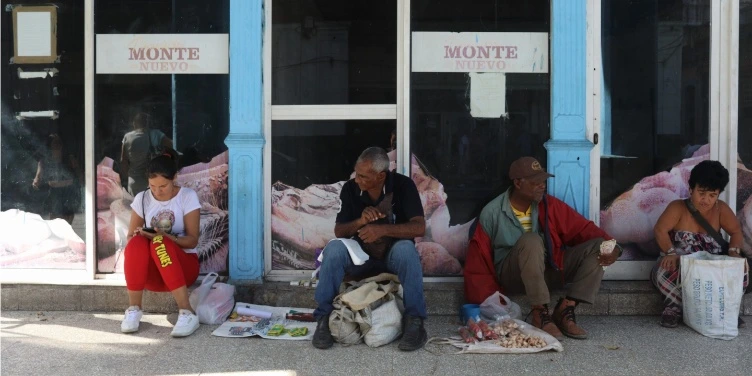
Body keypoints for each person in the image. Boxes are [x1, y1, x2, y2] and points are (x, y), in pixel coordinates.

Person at [463, 156, 620, 340]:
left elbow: (583, 229)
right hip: (513, 275)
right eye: (536, 182)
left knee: (598, 245)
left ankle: (566, 309)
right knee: (531, 240)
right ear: (518, 183)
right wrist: (488, 299)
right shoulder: (492, 212)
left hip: (548, 270)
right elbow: (478, 260)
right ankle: (540, 312)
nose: (542, 186)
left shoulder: (549, 205)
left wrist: (613, 247)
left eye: (543, 181)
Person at [312, 147, 428, 351]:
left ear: (380, 176)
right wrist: (360, 221)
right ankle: (323, 318)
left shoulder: (403, 186)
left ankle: (415, 321)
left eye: (363, 176)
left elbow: (419, 227)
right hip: (361, 256)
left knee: (407, 251)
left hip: (392, 255)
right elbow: (340, 231)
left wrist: (382, 230)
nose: (357, 179)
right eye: (357, 173)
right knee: (334, 249)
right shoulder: (350, 188)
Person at [652, 160, 749, 328]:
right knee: (662, 271)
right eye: (701, 193)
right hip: (682, 264)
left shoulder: (721, 209)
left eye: (712, 195)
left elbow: (736, 232)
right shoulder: (677, 207)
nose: (706, 200)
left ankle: (725, 309)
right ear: (691, 189)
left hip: (712, 265)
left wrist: (733, 252)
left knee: (742, 269)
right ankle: (674, 307)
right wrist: (670, 253)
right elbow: (660, 230)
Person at [120, 150, 202, 337]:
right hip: (153, 275)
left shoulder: (187, 196)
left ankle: (187, 312)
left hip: (183, 269)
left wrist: (166, 238)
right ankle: (134, 309)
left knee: (159, 242)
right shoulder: (142, 198)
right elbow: (131, 238)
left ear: (174, 178)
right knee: (136, 243)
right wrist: (141, 234)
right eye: (152, 186)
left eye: (163, 186)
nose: (157, 192)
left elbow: (192, 240)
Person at [32, 133, 82, 224]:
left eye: (59, 142)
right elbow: (38, 177)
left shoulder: (70, 159)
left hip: (68, 192)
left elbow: (79, 173)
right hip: (55, 192)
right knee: (55, 220)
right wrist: (36, 182)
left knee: (67, 219)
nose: (57, 144)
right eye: (55, 142)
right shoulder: (44, 161)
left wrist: (82, 183)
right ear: (50, 145)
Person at [120, 112, 173, 196]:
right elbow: (171, 145)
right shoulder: (156, 134)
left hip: (134, 182)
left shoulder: (127, 137)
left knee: (136, 206)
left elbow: (123, 161)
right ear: (147, 123)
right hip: (153, 181)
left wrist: (125, 179)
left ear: (134, 124)